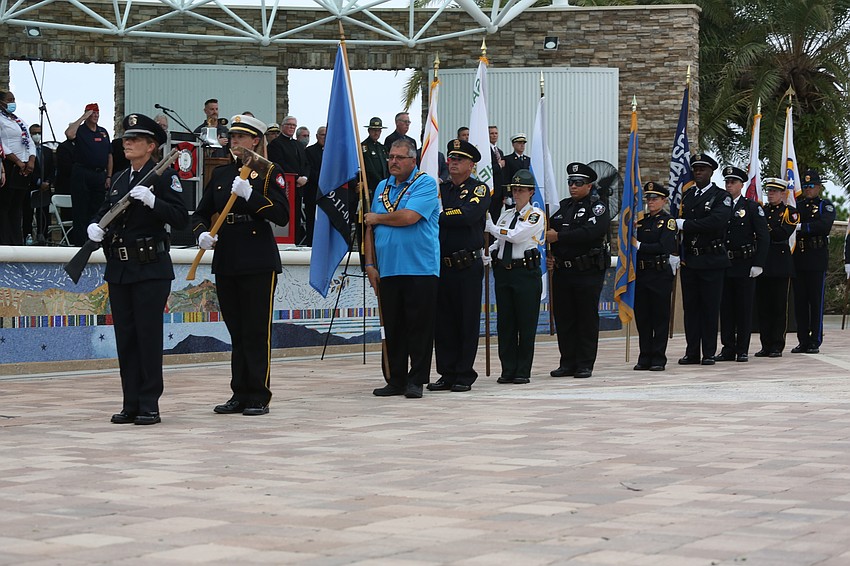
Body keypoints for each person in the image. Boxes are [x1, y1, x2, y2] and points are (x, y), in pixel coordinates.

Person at [86, 113, 188, 425]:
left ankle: (149, 403)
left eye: (135, 140)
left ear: (151, 146)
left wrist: (153, 201)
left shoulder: (164, 177)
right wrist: (93, 227)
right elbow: (106, 212)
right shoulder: (120, 179)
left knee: (147, 336)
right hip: (120, 268)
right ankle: (130, 402)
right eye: (126, 139)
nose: (127, 144)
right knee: (126, 337)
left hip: (151, 268)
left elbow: (182, 219)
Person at [192, 115, 290, 416]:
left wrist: (251, 195)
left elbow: (282, 214)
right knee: (236, 330)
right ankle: (239, 392)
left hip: (257, 257)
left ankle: (258, 394)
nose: (234, 142)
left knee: (256, 330)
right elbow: (201, 212)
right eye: (232, 137)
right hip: (228, 257)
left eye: (241, 137)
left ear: (255, 141)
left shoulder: (269, 172)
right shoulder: (221, 174)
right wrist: (201, 234)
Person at [363, 138, 440, 399]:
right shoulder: (382, 187)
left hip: (420, 268)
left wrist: (378, 217)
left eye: (399, 157)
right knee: (393, 326)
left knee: (418, 327)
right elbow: (369, 228)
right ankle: (395, 378)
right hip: (388, 269)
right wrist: (370, 264)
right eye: (390, 157)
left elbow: (409, 217)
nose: (393, 161)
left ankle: (416, 379)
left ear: (413, 160)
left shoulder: (426, 184)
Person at [427, 139, 490, 393]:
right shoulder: (441, 189)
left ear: (471, 165)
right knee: (443, 322)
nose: (453, 163)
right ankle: (447, 372)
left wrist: (440, 215)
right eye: (451, 159)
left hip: (466, 265)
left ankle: (464, 372)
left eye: (459, 160)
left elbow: (467, 215)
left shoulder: (479, 189)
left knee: (466, 320)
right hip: (441, 264)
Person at [546, 162, 609, 379]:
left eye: (578, 183)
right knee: (565, 318)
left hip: (587, 271)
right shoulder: (562, 206)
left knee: (586, 318)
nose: (573, 186)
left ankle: (584, 363)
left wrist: (560, 237)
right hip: (564, 270)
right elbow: (549, 233)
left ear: (589, 186)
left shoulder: (597, 206)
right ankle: (568, 362)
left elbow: (590, 232)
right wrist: (552, 250)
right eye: (571, 182)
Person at [485, 169, 545, 384]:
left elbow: (516, 236)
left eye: (521, 190)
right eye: (514, 189)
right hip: (504, 272)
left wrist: (493, 230)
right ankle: (508, 368)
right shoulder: (507, 214)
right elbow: (500, 242)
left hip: (525, 273)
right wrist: (489, 252)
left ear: (530, 192)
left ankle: (522, 370)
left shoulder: (536, 215)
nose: (517, 193)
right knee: (506, 323)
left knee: (525, 323)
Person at [675, 152, 732, 365]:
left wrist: (686, 225)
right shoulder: (688, 195)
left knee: (709, 307)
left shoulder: (720, 196)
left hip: (712, 259)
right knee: (691, 309)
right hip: (691, 259)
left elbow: (715, 222)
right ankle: (692, 352)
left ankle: (708, 352)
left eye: (703, 169)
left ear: (711, 172)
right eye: (696, 169)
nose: (698, 172)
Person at [715, 165, 769, 363]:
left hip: (745, 263)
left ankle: (742, 349)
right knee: (726, 308)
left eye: (733, 182)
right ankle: (728, 347)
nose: (729, 185)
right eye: (727, 182)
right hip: (724, 263)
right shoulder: (719, 206)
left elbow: (764, 237)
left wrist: (759, 264)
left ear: (741, 184)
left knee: (743, 308)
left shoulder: (752, 208)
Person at [633, 181, 678, 371]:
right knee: (643, 318)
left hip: (659, 273)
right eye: (648, 198)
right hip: (642, 273)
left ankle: (658, 357)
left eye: (655, 198)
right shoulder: (641, 222)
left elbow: (664, 246)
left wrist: (640, 246)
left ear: (664, 200)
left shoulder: (668, 221)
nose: (651, 202)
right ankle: (645, 356)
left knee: (659, 317)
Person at [791, 169, 835, 354]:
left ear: (818, 187)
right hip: (799, 258)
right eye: (806, 186)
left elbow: (824, 226)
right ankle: (802, 340)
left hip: (816, 258)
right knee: (800, 302)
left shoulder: (826, 205)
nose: (808, 189)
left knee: (815, 301)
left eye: (811, 186)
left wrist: (803, 227)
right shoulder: (797, 206)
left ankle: (815, 340)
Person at [756, 178, 799, 358]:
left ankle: (777, 344)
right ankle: (765, 344)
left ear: (783, 193)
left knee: (779, 306)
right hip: (763, 262)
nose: (771, 194)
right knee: (763, 306)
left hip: (780, 263)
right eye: (769, 191)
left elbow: (782, 233)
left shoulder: (790, 212)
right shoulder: (762, 211)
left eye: (775, 191)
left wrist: (764, 228)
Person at [65, 103, 113, 246]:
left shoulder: (103, 131)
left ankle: (95, 242)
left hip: (99, 175)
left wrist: (109, 176)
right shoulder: (80, 130)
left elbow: (110, 155)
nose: (95, 116)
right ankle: (80, 243)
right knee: (81, 210)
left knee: (98, 210)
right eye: (92, 113)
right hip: (82, 173)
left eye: (97, 113)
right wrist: (83, 117)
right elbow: (69, 134)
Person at [0, 90, 38, 245]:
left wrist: (31, 160)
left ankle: (17, 240)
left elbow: (29, 141)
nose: (13, 102)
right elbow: (2, 145)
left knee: (18, 206)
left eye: (14, 99)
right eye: (10, 99)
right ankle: (4, 240)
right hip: (9, 165)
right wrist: (17, 161)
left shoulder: (18, 120)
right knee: (5, 206)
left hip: (25, 167)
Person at [267, 115, 310, 244]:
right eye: (289, 125)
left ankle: (296, 241)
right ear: (282, 126)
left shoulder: (298, 145)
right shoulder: (276, 144)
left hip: (299, 187)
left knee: (296, 217)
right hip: (285, 187)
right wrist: (297, 178)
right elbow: (279, 164)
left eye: (294, 126)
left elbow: (306, 164)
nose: (291, 127)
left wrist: (305, 177)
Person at [29, 124, 55, 245]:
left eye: (39, 132)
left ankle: (45, 238)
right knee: (28, 214)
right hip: (31, 187)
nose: (37, 135)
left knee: (44, 215)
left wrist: (48, 182)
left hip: (46, 188)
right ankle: (28, 237)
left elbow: (53, 168)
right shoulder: (27, 150)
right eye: (34, 133)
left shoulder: (47, 151)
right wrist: (38, 182)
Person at [303, 125, 326, 246]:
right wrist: (325, 180)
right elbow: (309, 170)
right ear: (317, 136)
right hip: (313, 194)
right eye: (322, 135)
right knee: (312, 223)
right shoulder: (309, 151)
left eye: (327, 135)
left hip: (328, 196)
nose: (325, 137)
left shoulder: (333, 153)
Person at [361, 117, 389, 199]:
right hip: (372, 185)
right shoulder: (364, 147)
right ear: (369, 130)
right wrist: (381, 182)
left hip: (384, 185)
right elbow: (369, 168)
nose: (376, 133)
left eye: (378, 130)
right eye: (374, 130)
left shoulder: (382, 148)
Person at [488, 125, 508, 222]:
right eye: (491, 133)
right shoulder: (485, 151)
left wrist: (504, 193)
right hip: (490, 189)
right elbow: (487, 169)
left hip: (499, 192)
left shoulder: (499, 151)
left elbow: (503, 174)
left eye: (496, 133)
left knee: (497, 217)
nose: (494, 135)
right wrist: (499, 166)